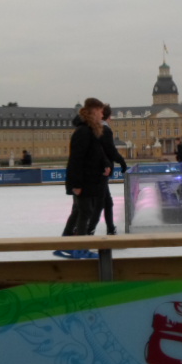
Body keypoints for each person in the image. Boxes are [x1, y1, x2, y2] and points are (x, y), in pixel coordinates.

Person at [56, 98, 110, 259]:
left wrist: (105, 164)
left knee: (79, 211)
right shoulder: (83, 131)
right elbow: (76, 159)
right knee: (85, 211)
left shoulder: (91, 130)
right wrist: (77, 184)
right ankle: (80, 247)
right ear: (93, 111)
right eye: (100, 111)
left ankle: (65, 243)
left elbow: (96, 152)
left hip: (88, 179)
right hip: (83, 181)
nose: (102, 115)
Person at [86, 104, 128, 236]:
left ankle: (110, 228)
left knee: (107, 202)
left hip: (98, 169)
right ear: (108, 117)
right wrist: (121, 161)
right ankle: (89, 229)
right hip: (103, 169)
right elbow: (110, 150)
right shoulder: (105, 129)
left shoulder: (95, 128)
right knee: (100, 202)